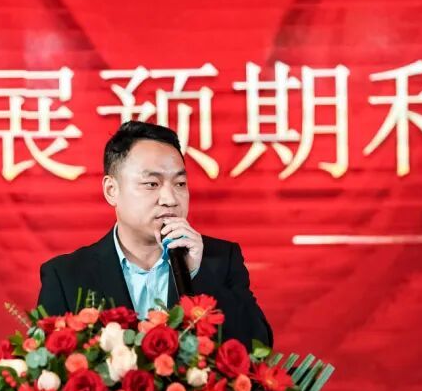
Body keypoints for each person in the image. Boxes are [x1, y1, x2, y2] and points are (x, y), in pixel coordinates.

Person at [36, 121, 273, 348]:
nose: (170, 199)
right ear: (111, 190)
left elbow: (258, 346)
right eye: (152, 184)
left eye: (180, 184)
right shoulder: (66, 276)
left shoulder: (220, 259)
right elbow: (48, 363)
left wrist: (196, 275)